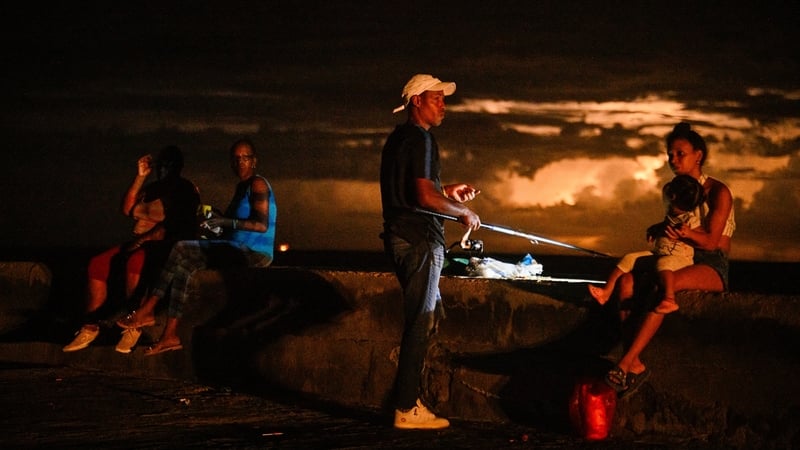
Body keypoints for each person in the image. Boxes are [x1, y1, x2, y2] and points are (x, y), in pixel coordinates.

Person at [603, 122, 735, 398]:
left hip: (710, 263)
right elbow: (676, 227)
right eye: (670, 155)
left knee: (665, 284)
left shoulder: (718, 192)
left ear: (698, 155)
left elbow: (710, 240)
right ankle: (635, 362)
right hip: (678, 257)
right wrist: (660, 228)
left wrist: (684, 233)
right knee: (626, 281)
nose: (673, 160)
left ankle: (625, 363)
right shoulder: (675, 190)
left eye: (680, 153)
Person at [381, 74, 481, 429]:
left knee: (430, 316)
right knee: (421, 322)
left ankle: (403, 396)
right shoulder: (423, 140)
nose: (443, 106)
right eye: (437, 99)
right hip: (420, 240)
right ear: (417, 101)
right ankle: (406, 407)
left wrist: (447, 191)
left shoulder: (398, 139)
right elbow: (423, 198)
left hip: (399, 236)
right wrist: (463, 213)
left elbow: (416, 190)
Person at [116, 138, 276, 356]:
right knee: (184, 264)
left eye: (245, 158)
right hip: (235, 247)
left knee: (181, 247)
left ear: (254, 161)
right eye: (236, 159)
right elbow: (230, 229)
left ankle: (147, 309)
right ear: (231, 162)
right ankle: (170, 335)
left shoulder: (257, 183)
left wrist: (224, 222)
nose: (240, 163)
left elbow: (261, 224)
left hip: (254, 253)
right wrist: (213, 223)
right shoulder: (241, 188)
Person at [63, 146, 200, 353]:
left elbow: (177, 224)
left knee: (135, 262)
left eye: (170, 165)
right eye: (161, 164)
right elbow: (127, 209)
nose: (165, 169)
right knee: (97, 264)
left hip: (158, 245)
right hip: (138, 241)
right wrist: (140, 177)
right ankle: (90, 326)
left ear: (179, 167)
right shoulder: (152, 188)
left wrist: (144, 240)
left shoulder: (184, 189)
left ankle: (135, 322)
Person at [588, 174, 705, 314]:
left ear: (672, 196)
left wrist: (690, 234)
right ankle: (606, 292)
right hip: (660, 254)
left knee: (663, 264)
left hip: (680, 259)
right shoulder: (670, 216)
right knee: (629, 258)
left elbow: (702, 237)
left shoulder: (690, 219)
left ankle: (669, 299)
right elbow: (665, 225)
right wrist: (655, 229)